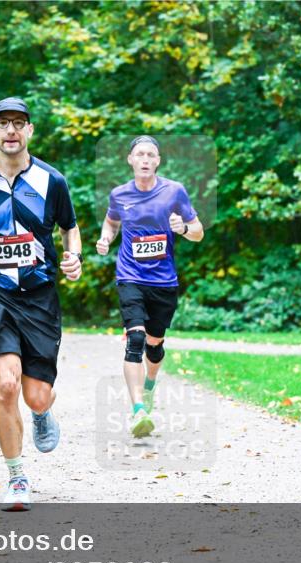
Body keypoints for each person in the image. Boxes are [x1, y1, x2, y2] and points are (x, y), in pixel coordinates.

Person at [0, 97, 82, 511]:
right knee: (6, 384)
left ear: (30, 130)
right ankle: (17, 477)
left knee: (37, 396)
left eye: (19, 123)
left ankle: (42, 414)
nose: (11, 130)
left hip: (40, 296)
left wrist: (74, 256)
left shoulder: (52, 180)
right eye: (3, 122)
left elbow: (70, 228)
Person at [95, 135, 204, 437]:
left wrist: (184, 228)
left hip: (164, 281)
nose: (145, 159)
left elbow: (198, 232)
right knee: (135, 339)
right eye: (140, 154)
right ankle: (138, 410)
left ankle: (150, 385)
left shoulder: (174, 191)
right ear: (130, 159)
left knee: (154, 347)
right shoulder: (119, 194)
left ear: (158, 161)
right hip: (130, 276)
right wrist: (106, 237)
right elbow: (111, 221)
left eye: (151, 155)